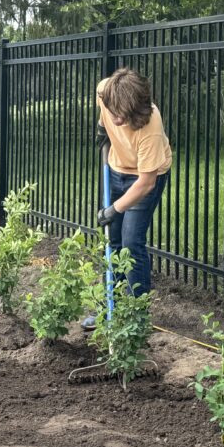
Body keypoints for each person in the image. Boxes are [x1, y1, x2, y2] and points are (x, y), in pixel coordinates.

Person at [83, 67, 172, 331]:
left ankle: (136, 316)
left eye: (124, 116)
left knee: (131, 243)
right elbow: (104, 112)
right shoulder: (104, 90)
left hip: (143, 179)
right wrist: (102, 126)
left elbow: (146, 183)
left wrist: (113, 209)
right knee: (113, 242)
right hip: (116, 169)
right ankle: (110, 307)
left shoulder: (151, 127)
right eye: (115, 113)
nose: (118, 120)